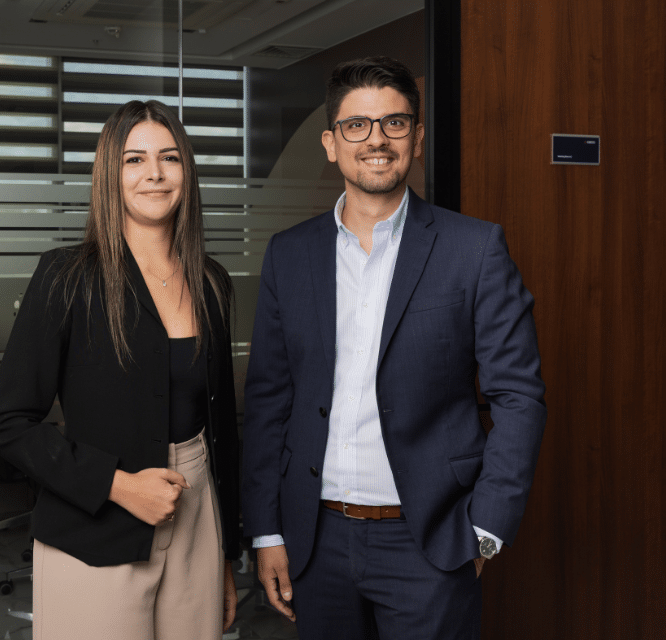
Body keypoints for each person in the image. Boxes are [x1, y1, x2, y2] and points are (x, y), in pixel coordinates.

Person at [242, 56, 546, 639]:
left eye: (395, 123)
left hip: (430, 542)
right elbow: (268, 402)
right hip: (316, 540)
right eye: (357, 125)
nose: (376, 140)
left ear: (418, 137)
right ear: (331, 143)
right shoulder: (290, 254)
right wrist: (268, 532)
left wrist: (487, 526)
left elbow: (519, 397)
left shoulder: (474, 250)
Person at [0, 99, 239, 640]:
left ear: (186, 170)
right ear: (108, 175)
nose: (154, 174)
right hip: (95, 523)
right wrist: (118, 487)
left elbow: (223, 428)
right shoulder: (65, 277)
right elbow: (7, 421)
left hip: (198, 517)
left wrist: (227, 554)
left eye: (169, 157)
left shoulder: (212, 281)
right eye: (134, 160)